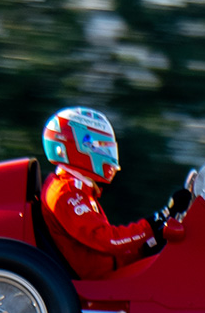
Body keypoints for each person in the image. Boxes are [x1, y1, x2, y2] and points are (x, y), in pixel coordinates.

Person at [38, 107, 190, 278]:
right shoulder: (67, 193)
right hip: (100, 282)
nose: (106, 154)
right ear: (75, 148)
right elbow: (106, 241)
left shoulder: (77, 189)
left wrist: (147, 244)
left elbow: (101, 250)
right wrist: (154, 223)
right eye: (98, 146)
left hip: (108, 270)